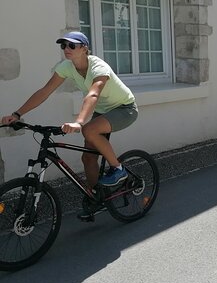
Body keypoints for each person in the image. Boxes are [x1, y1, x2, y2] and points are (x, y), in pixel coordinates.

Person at [1, 31, 138, 211]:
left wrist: (79, 122)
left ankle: (118, 169)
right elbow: (45, 91)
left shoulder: (98, 66)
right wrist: (18, 113)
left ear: (84, 48)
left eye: (72, 45)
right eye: (64, 45)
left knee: (88, 130)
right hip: (102, 111)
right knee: (88, 158)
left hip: (124, 108)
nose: (67, 49)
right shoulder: (66, 67)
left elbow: (93, 94)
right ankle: (96, 197)